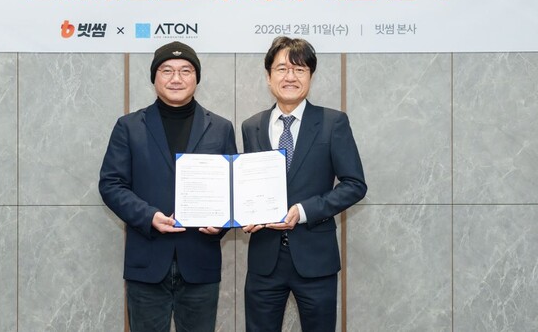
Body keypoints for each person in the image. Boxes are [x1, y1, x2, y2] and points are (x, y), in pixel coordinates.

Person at [99, 41, 237, 332]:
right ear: (154, 77)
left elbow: (231, 188)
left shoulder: (221, 127)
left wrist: (222, 224)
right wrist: (148, 216)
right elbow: (111, 184)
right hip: (147, 262)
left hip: (200, 261)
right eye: (167, 70)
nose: (177, 78)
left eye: (185, 70)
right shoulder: (129, 126)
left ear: (196, 77)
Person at [241, 36, 367, 332]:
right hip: (264, 261)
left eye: (299, 70)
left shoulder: (332, 122)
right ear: (268, 76)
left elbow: (354, 184)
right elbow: (249, 184)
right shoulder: (252, 126)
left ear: (310, 76)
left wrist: (304, 210)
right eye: (282, 69)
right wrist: (244, 212)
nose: (290, 77)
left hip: (315, 259)